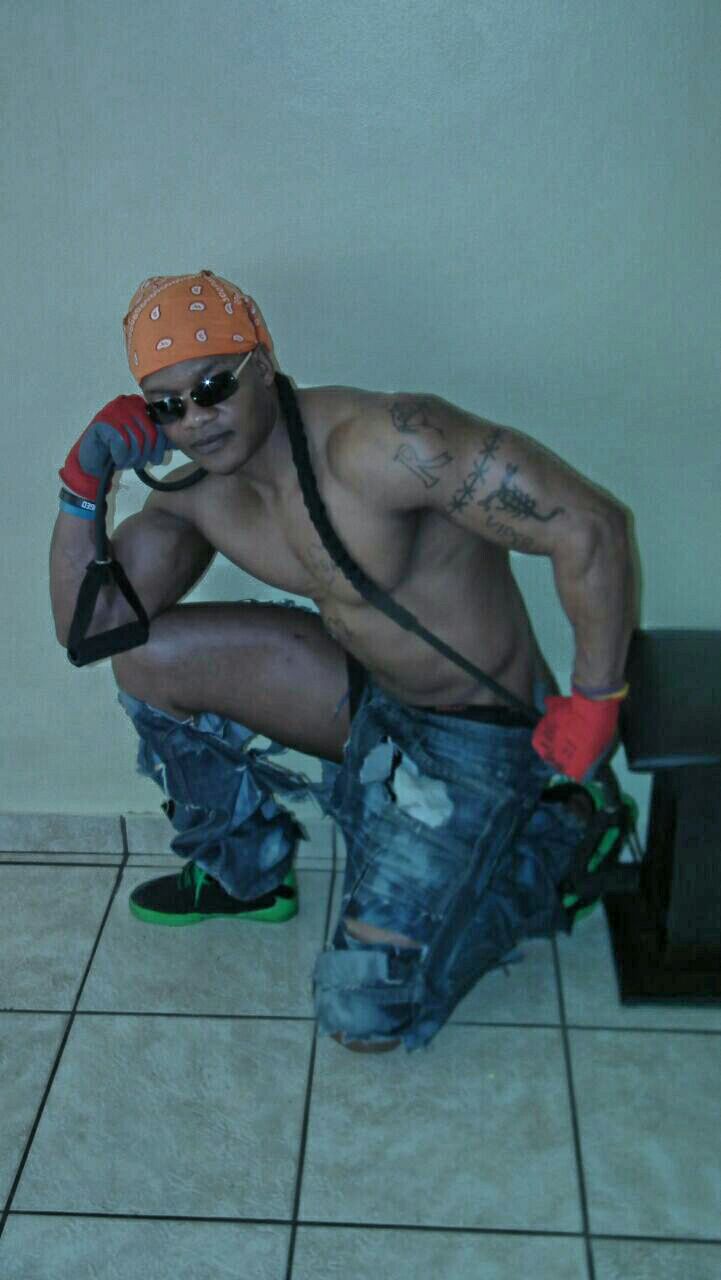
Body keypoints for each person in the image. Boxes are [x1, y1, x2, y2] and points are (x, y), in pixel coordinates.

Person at [51, 269, 637, 1056]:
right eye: (167, 406)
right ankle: (244, 875)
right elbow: (93, 630)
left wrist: (596, 699)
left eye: (214, 386)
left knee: (362, 1015)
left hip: (480, 735)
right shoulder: (200, 489)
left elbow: (589, 527)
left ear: (263, 363)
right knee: (148, 660)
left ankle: (551, 848)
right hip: (370, 701)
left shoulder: (385, 444)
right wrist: (83, 483)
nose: (196, 419)